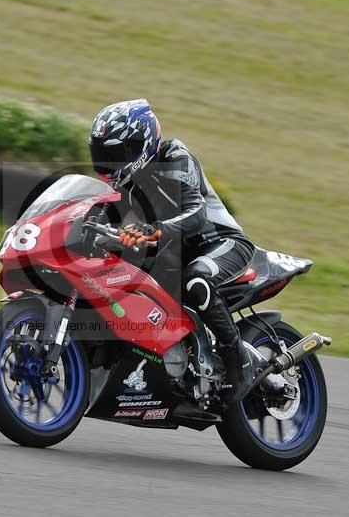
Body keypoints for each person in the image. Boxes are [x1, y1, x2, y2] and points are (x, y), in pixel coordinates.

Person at [88, 99, 258, 401]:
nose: (110, 163)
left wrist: (155, 229)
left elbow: (196, 215)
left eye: (116, 154)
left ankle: (238, 363)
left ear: (143, 142)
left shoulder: (176, 156)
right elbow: (101, 215)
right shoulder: (124, 183)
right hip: (173, 251)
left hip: (221, 243)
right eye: (102, 155)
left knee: (197, 280)